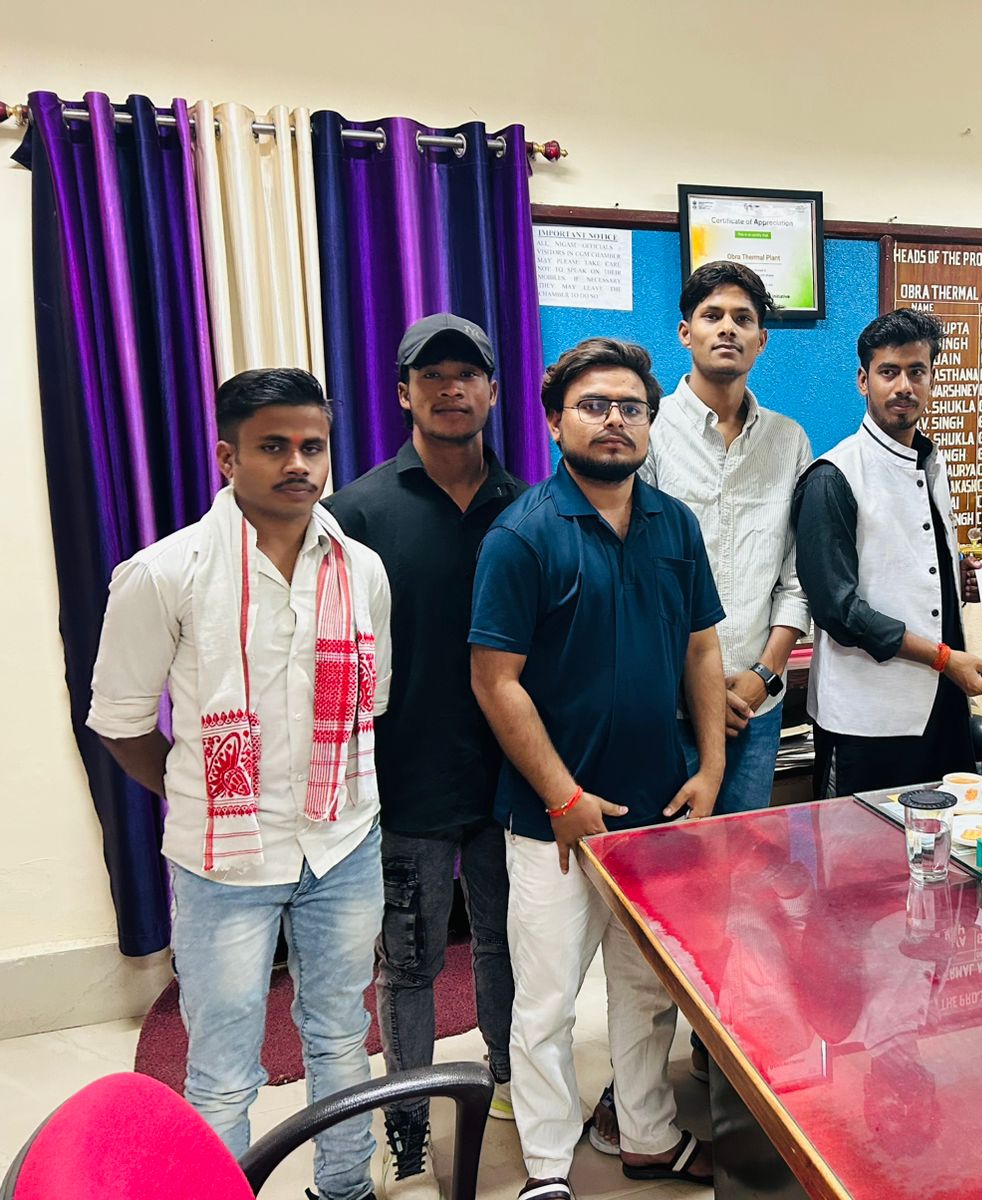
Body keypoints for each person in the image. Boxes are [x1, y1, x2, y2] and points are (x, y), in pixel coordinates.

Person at [88, 368, 391, 1200]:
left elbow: (372, 703)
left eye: (312, 446)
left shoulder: (362, 570)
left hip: (343, 843)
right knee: (222, 1070)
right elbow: (119, 720)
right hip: (223, 863)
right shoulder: (165, 572)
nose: (298, 464)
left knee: (342, 1039)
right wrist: (204, 795)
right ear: (227, 458)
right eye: (273, 447)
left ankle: (345, 1190)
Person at [470, 338, 724, 1200]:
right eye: (593, 405)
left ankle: (648, 1134)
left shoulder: (674, 525)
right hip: (552, 822)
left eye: (631, 407)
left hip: (658, 808)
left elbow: (701, 649)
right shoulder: (522, 535)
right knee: (546, 1001)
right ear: (554, 421)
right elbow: (495, 682)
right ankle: (546, 1165)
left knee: (646, 991)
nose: (615, 420)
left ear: (650, 423)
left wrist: (711, 767)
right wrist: (563, 797)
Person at [323, 314, 525, 1197]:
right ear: (404, 392)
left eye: (466, 373)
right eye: (431, 374)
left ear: (492, 391)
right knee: (408, 963)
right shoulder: (355, 513)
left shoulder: (527, 507)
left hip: (508, 777)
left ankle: (509, 1083)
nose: (450, 388)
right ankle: (405, 1117)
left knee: (506, 946)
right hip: (402, 783)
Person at [793, 308, 982, 799]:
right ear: (863, 381)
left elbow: (907, 566)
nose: (904, 387)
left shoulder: (931, 463)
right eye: (888, 372)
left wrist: (957, 577)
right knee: (865, 844)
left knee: (949, 833)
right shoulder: (833, 475)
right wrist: (942, 658)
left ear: (932, 379)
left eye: (917, 372)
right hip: (868, 718)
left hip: (943, 703)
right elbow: (837, 610)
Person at [641, 261, 811, 813]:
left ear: (761, 340)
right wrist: (697, 689)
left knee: (746, 855)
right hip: (666, 706)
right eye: (712, 315)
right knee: (668, 855)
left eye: (743, 318)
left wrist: (766, 674)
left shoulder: (789, 441)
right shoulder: (648, 431)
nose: (727, 329)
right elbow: (636, 577)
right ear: (685, 332)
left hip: (755, 705)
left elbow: (797, 576)